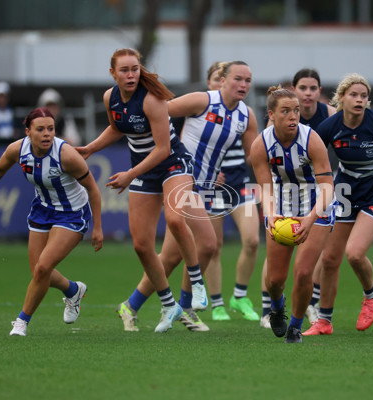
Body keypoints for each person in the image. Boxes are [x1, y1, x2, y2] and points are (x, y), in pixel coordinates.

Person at [114, 60, 258, 332]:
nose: (243, 85)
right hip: (182, 179)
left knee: (170, 257)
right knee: (207, 245)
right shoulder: (202, 101)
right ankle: (185, 307)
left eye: (248, 80)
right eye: (237, 78)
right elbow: (158, 112)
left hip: (206, 187)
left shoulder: (246, 116)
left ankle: (132, 306)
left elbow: (254, 155)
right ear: (222, 80)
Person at [77, 48, 204, 334]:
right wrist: (90, 148)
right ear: (113, 73)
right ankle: (169, 304)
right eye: (124, 70)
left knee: (174, 220)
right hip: (143, 171)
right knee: (141, 245)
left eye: (135, 68)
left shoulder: (152, 99)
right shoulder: (110, 97)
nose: (131, 74)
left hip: (174, 164)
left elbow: (163, 149)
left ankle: (196, 285)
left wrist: (129, 175)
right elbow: (116, 128)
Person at [0, 107, 103, 336]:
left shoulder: (67, 155)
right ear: (28, 132)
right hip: (42, 210)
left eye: (50, 129)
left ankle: (22, 321)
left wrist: (98, 227)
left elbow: (92, 188)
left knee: (43, 267)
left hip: (72, 213)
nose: (46, 134)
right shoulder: (17, 149)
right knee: (38, 273)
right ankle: (73, 290)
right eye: (40, 129)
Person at [302, 73, 373, 337]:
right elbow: (309, 156)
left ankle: (371, 295)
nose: (359, 100)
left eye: (364, 96)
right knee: (330, 259)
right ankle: (324, 322)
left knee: (354, 253)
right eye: (353, 95)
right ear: (341, 98)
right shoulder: (330, 126)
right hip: (346, 190)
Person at [250, 86, 335, 343]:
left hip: (316, 208)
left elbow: (328, 188)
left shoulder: (312, 140)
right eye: (285, 111)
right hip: (282, 208)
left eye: (296, 111)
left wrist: (310, 219)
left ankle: (295, 327)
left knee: (303, 273)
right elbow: (265, 189)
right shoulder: (260, 145)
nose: (293, 116)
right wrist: (272, 215)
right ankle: (277, 307)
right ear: (271, 115)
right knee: (275, 280)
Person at [202, 61, 261, 323]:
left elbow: (252, 154)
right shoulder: (200, 110)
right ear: (212, 83)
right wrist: (204, 173)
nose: (220, 83)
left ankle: (239, 295)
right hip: (210, 187)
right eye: (216, 78)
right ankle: (216, 304)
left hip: (239, 183)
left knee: (252, 240)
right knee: (213, 248)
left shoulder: (243, 113)